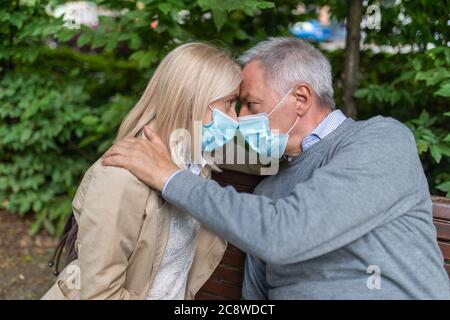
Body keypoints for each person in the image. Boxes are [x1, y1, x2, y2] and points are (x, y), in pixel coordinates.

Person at [102, 37, 450, 299]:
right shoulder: (271, 189)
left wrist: (170, 177)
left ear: (300, 99)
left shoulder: (380, 141)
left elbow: (285, 235)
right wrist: (172, 147)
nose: (239, 119)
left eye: (251, 104)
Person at [42, 42, 242, 300]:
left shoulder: (194, 168)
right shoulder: (119, 179)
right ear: (193, 99)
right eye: (229, 103)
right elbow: (100, 295)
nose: (235, 119)